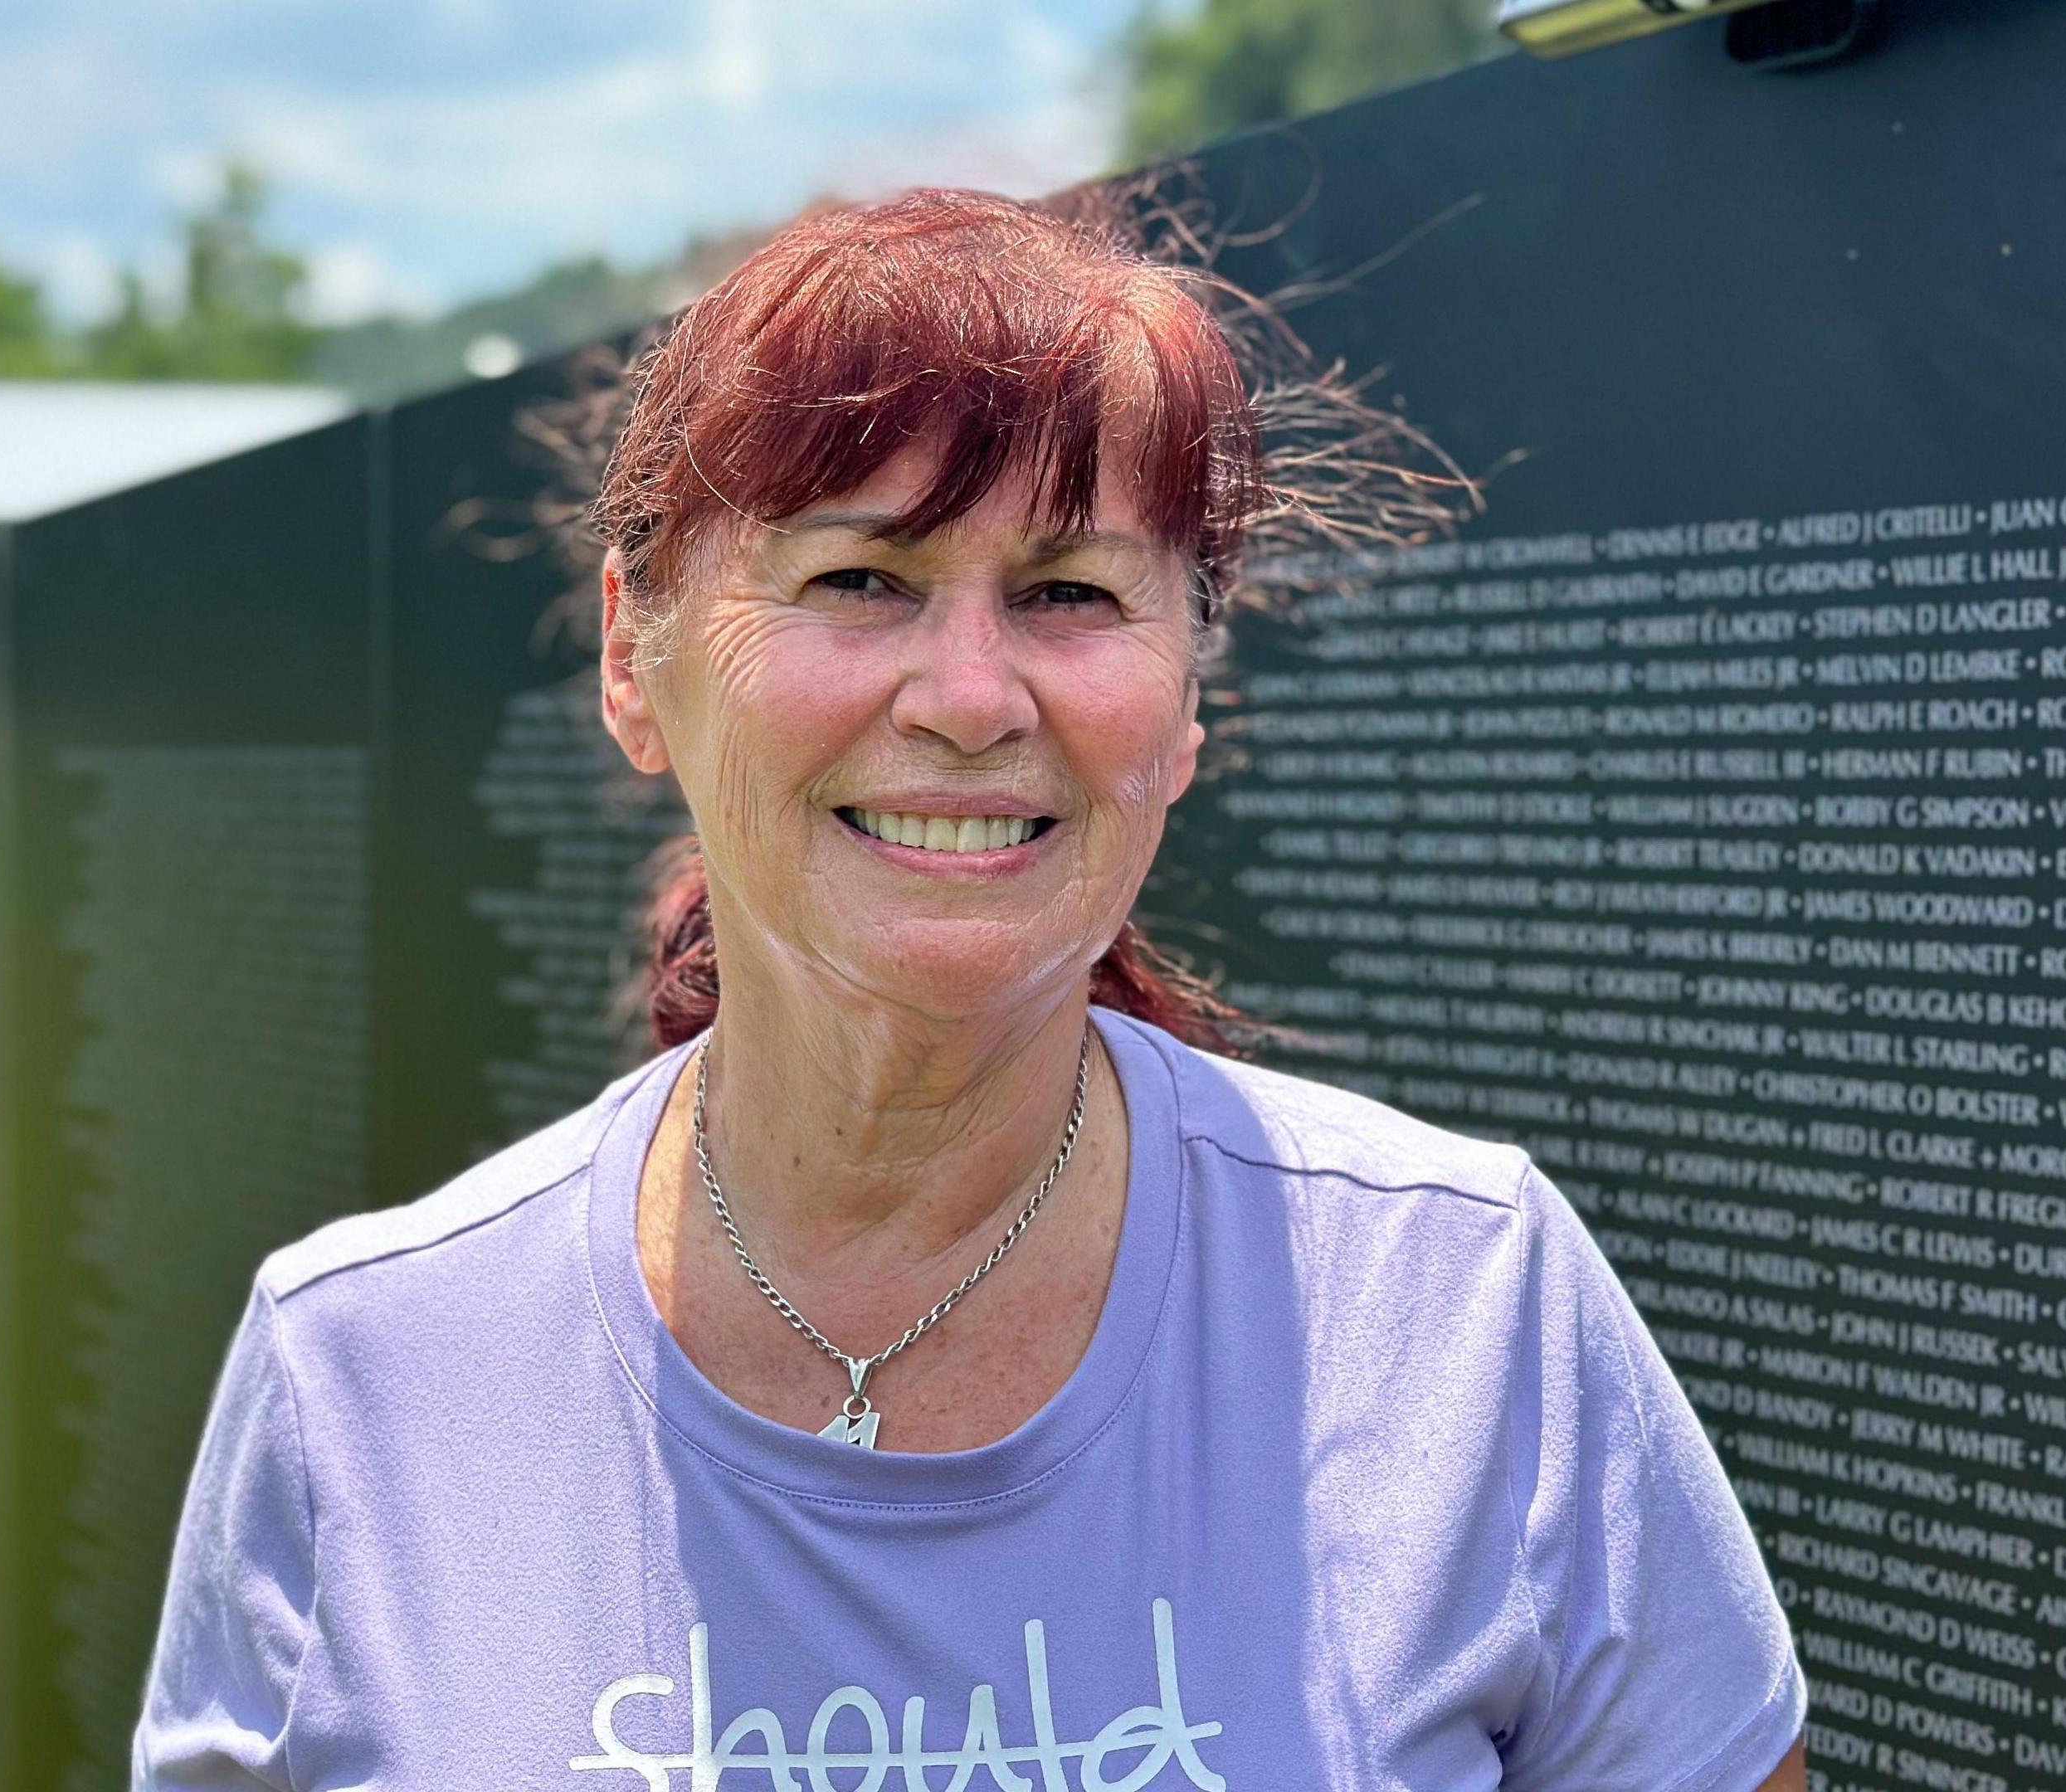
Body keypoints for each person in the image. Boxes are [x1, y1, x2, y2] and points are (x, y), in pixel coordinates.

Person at [133, 187, 1808, 1791]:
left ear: (1187, 706)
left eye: (1070, 593)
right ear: (635, 658)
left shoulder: (1456, 1304)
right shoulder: (362, 1369)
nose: (970, 696)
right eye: (862, 577)